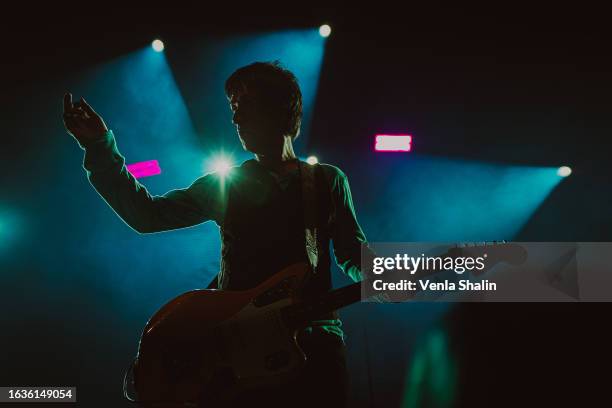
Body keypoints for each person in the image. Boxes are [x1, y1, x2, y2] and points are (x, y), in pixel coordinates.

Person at [63, 61, 369, 407]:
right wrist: (100, 147)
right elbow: (147, 215)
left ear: (281, 107)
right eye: (233, 109)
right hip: (239, 351)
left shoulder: (327, 180)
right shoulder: (227, 184)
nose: (236, 119)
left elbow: (353, 255)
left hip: (315, 341)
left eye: (245, 106)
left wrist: (391, 277)